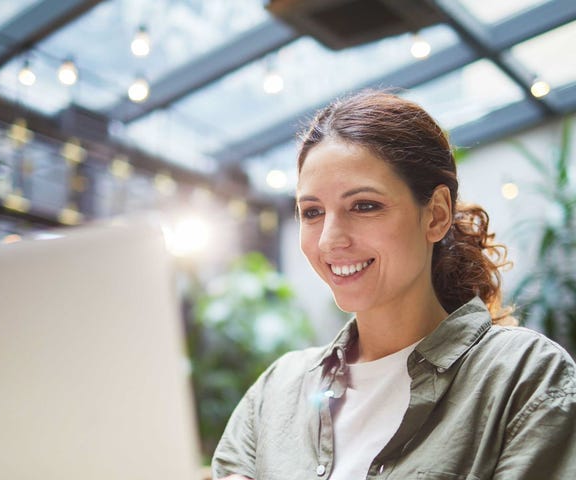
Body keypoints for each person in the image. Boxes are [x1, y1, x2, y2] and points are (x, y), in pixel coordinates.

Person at [211, 91, 576, 480]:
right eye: (312, 212)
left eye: (364, 205)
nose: (329, 240)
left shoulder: (525, 377)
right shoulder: (276, 392)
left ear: (436, 214)